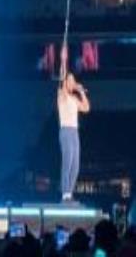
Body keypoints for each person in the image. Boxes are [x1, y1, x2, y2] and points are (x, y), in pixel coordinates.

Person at [57, 44, 90, 203]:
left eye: (72, 80)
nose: (71, 81)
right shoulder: (61, 94)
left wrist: (81, 91)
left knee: (75, 165)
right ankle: (65, 193)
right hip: (65, 131)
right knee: (68, 161)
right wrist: (63, 61)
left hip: (74, 132)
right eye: (69, 80)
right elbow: (62, 78)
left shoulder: (74, 98)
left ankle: (69, 192)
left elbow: (86, 108)